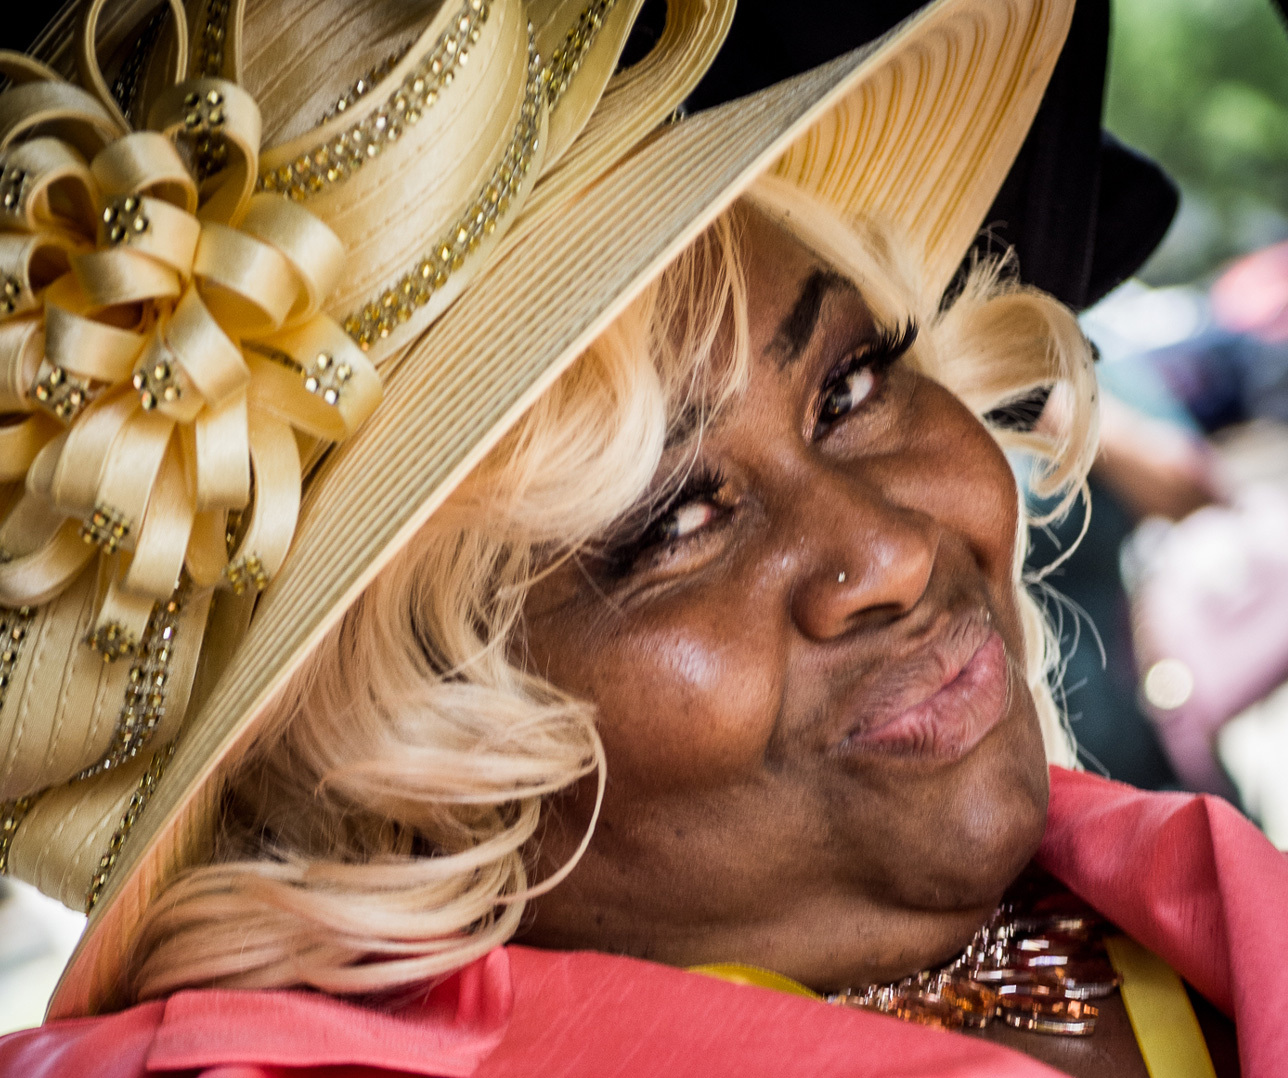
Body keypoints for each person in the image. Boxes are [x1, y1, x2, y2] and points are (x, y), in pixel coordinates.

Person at [0, 0, 1285, 1076]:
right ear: (418, 787)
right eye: (674, 524)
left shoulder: (1150, 907)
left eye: (849, 387)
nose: (888, 552)